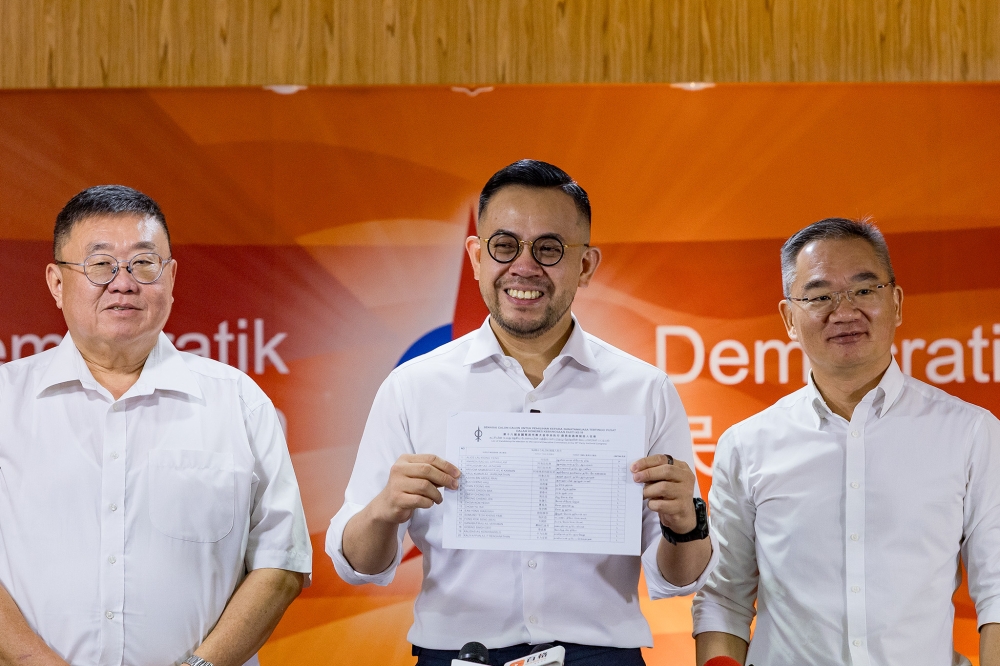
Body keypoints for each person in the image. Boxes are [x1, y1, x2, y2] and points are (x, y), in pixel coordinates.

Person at [327, 159, 717, 666]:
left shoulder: (644, 390)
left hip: (601, 655)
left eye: (550, 249)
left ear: (586, 265)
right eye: (504, 245)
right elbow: (358, 566)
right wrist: (383, 510)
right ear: (476, 256)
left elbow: (680, 578)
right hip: (459, 655)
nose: (524, 267)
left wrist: (685, 524)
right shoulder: (413, 386)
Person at [0, 185, 312, 666]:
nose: (123, 283)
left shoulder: (238, 401)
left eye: (144, 264)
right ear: (56, 283)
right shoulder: (6, 401)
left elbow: (282, 563)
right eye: (100, 265)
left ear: (170, 278)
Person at [692, 218, 1000, 666]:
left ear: (895, 303)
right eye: (819, 296)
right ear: (789, 319)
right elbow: (723, 599)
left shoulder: (971, 432)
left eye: (864, 290)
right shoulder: (746, 444)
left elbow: (996, 592)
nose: (844, 311)